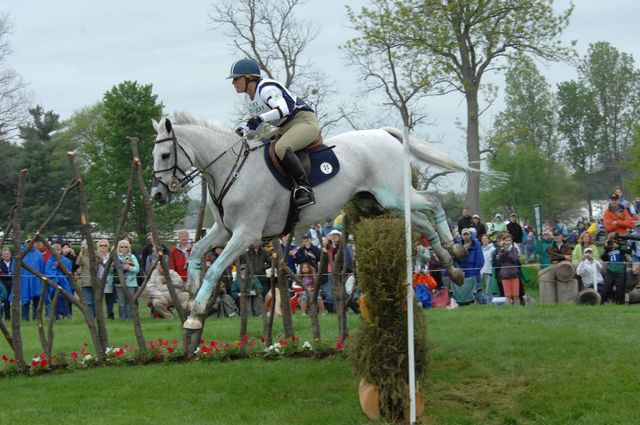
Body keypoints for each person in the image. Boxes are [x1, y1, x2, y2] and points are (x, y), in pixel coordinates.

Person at [229, 57, 319, 208]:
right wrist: (244, 131)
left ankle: (304, 188)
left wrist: (260, 118)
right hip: (284, 127)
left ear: (249, 78)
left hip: (304, 121)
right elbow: (254, 128)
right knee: (254, 147)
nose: (233, 83)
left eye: (236, 79)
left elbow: (283, 109)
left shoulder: (266, 89)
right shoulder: (248, 100)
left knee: (281, 147)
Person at [453, 228, 484, 305]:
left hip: (474, 273)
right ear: (461, 236)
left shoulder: (476, 244)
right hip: (463, 274)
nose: (466, 236)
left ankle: (482, 306)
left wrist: (474, 272)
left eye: (467, 234)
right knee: (464, 293)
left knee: (477, 293)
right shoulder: (459, 245)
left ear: (470, 235)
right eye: (464, 234)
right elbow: (456, 260)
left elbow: (480, 261)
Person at [44, 243, 74, 319]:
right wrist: (55, 267)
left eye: (58, 250)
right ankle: (55, 316)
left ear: (61, 251)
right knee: (54, 299)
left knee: (65, 299)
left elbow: (68, 271)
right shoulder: (49, 261)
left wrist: (61, 267)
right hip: (54, 284)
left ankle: (67, 315)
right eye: (54, 250)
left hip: (64, 283)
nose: (56, 252)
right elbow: (48, 272)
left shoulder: (66, 260)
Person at [113, 239, 140, 320]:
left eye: (126, 247)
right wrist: (112, 266)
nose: (124, 248)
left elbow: (137, 269)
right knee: (121, 303)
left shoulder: (132, 256)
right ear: (118, 248)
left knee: (130, 302)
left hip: (131, 283)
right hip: (119, 283)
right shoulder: (115, 257)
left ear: (128, 248)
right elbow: (110, 271)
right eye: (122, 247)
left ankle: (130, 318)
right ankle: (122, 318)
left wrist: (129, 267)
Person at [600, 233, 630, 304]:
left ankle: (620, 305)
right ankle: (602, 304)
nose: (612, 241)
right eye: (611, 240)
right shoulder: (609, 248)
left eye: (613, 240)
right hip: (610, 271)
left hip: (620, 271)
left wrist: (618, 246)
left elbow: (629, 250)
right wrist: (607, 248)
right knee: (605, 289)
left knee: (620, 290)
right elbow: (603, 258)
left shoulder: (622, 245)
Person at [497, 233, 521, 305]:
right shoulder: (501, 250)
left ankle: (517, 310)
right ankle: (509, 310)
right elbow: (500, 259)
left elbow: (515, 259)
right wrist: (504, 250)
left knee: (516, 295)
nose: (507, 242)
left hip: (514, 274)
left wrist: (507, 251)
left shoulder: (514, 249)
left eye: (509, 240)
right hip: (505, 274)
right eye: (506, 241)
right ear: (503, 241)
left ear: (511, 241)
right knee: (507, 295)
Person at [76, 240, 96, 318]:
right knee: (89, 302)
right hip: (86, 282)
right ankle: (91, 317)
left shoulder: (95, 255)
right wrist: (81, 252)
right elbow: (78, 263)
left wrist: (93, 251)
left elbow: (100, 260)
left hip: (95, 282)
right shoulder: (82, 256)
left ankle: (97, 316)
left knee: (96, 301)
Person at [96, 239, 115, 319]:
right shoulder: (95, 256)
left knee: (109, 298)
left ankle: (110, 314)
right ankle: (99, 316)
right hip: (98, 280)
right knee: (98, 299)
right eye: (101, 245)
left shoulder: (111, 256)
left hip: (109, 280)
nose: (103, 247)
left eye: (105, 245)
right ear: (98, 247)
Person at [480, 234, 495, 302]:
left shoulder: (493, 249)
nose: (484, 240)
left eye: (486, 238)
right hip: (481, 270)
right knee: (478, 287)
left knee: (488, 289)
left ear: (489, 240)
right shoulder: (480, 249)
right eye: (483, 239)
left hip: (489, 271)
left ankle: (490, 302)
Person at [0, 248, 13, 320]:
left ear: (10, 254)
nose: (5, 255)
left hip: (14, 283)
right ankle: (7, 318)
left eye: (7, 254)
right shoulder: (0, 263)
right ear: (2, 256)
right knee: (5, 301)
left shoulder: (14, 262)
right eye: (4, 254)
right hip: (4, 283)